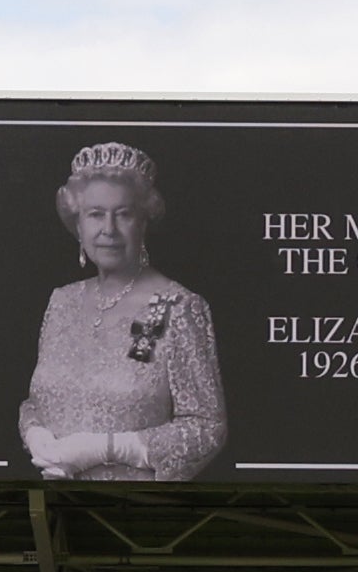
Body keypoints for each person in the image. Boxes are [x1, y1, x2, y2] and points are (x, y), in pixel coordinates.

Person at [15, 139, 229, 482]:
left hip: (137, 518)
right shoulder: (61, 302)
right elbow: (35, 403)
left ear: (143, 222)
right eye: (95, 214)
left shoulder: (176, 307)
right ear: (78, 224)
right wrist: (34, 434)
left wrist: (111, 448)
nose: (109, 230)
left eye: (124, 214)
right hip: (53, 509)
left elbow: (205, 429)